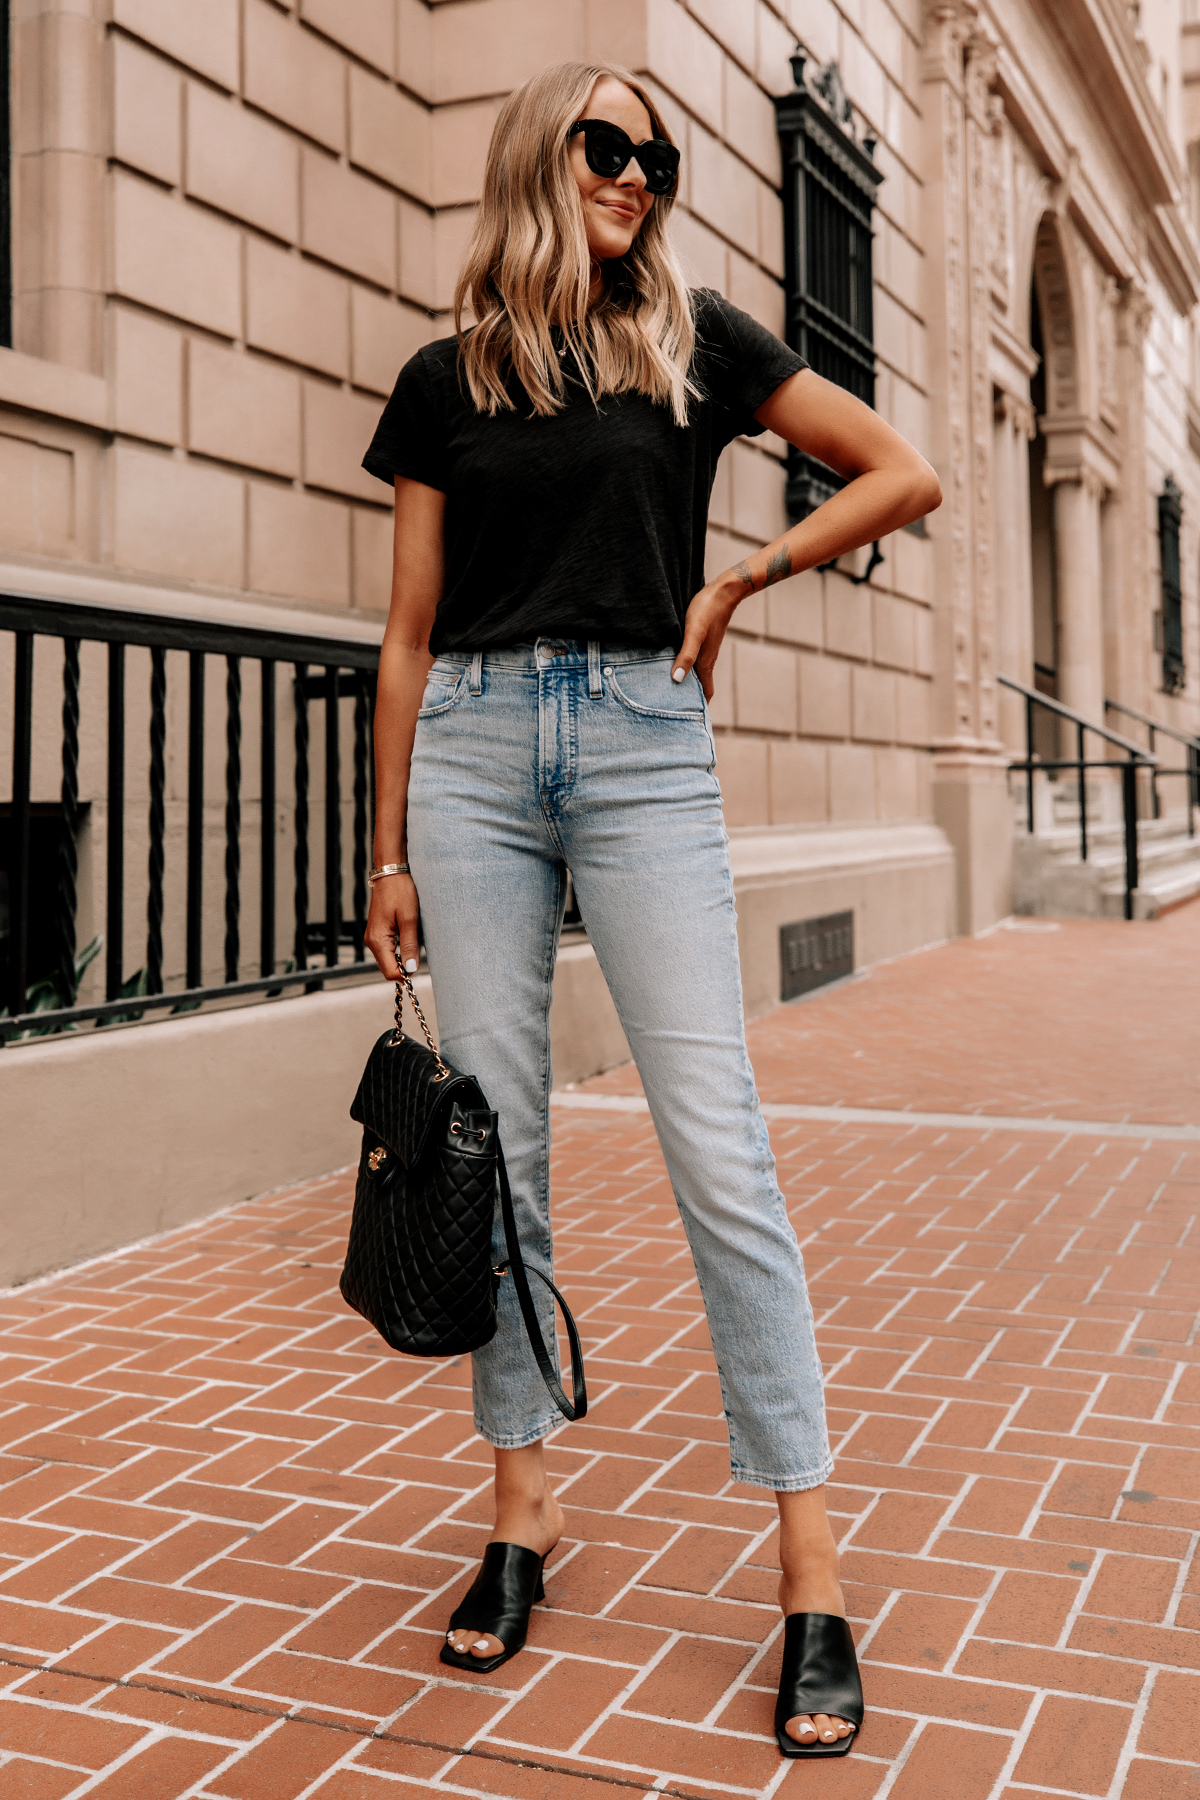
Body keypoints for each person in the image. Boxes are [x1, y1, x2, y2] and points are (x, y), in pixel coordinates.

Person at [362, 60, 940, 1761]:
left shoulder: (693, 337)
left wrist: (745, 574)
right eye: (604, 145)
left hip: (635, 742)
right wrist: (385, 847)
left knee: (720, 1145)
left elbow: (897, 472)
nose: (633, 173)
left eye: (654, 154)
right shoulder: (439, 378)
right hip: (467, 753)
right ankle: (523, 1506)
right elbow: (404, 631)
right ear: (542, 156)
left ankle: (811, 1574)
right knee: (500, 1147)